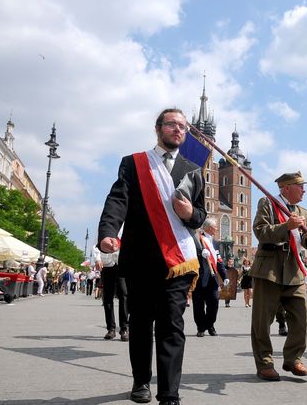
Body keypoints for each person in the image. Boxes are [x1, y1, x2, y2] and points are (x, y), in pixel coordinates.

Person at [98, 108, 205, 404]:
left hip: (178, 261)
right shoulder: (134, 163)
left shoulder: (193, 169)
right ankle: (141, 381)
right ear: (157, 128)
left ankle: (169, 393)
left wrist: (190, 213)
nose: (178, 130)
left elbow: (201, 214)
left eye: (183, 126)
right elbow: (119, 199)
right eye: (172, 124)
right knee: (142, 323)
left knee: (172, 324)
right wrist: (109, 230)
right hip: (141, 258)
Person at [250, 171, 307, 381]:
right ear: (286, 188)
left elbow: (304, 244)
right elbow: (260, 232)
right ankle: (265, 363)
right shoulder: (268, 203)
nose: (304, 190)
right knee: (263, 320)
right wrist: (285, 226)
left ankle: (293, 359)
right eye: (300, 186)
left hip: (294, 270)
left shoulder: (304, 212)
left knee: (302, 316)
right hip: (269, 268)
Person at [193, 217, 229, 337]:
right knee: (198, 305)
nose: (217, 229)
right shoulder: (197, 239)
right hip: (199, 278)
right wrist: (200, 254)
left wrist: (225, 276)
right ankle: (201, 327)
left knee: (214, 303)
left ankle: (210, 324)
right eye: (215, 227)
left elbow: (218, 261)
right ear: (209, 228)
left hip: (212, 279)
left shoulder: (215, 242)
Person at [94, 247, 129, 342]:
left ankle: (124, 329)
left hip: (122, 263)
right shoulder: (101, 231)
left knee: (124, 295)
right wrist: (97, 259)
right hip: (107, 264)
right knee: (108, 298)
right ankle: (111, 329)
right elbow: (96, 245)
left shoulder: (124, 231)